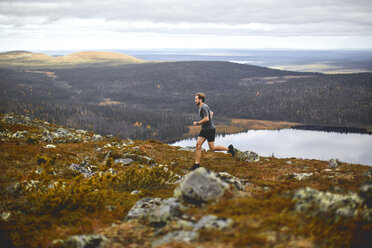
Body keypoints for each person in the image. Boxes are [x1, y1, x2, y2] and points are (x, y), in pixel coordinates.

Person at [191, 92, 235, 170]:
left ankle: (229, 149)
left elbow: (206, 118)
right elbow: (211, 113)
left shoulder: (203, 107)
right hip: (206, 129)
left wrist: (198, 123)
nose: (195, 100)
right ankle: (196, 164)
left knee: (212, 148)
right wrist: (209, 121)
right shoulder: (203, 106)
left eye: (196, 99)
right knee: (198, 145)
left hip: (209, 130)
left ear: (200, 99)